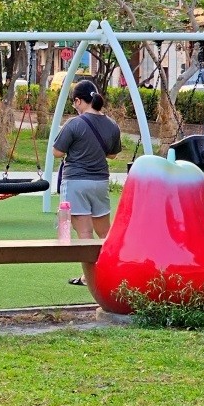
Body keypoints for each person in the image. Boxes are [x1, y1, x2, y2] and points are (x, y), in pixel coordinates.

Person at [52, 79, 122, 285]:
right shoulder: (112, 125)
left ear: (79, 101)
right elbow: (112, 155)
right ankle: (113, 273)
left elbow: (57, 152)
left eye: (75, 103)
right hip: (100, 183)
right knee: (104, 232)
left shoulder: (74, 124)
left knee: (84, 233)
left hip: (75, 182)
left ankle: (89, 279)